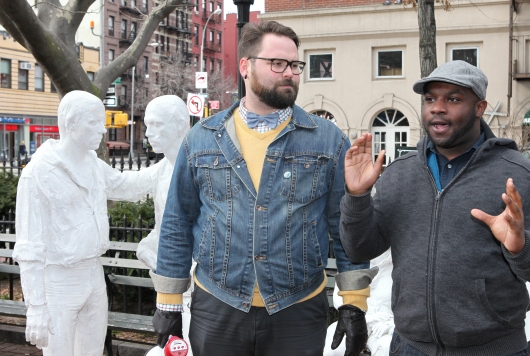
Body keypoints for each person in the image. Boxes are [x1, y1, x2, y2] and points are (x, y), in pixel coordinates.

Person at [150, 21, 376, 356]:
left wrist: (354, 303)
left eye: (295, 65)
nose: (290, 73)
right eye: (278, 64)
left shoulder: (328, 140)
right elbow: (177, 223)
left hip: (298, 309)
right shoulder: (202, 139)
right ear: (245, 66)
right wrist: (168, 304)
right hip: (217, 307)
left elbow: (345, 228)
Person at [339, 60, 530, 356]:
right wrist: (357, 196)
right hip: (409, 348)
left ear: (480, 107)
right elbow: (360, 249)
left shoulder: (518, 175)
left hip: (493, 350)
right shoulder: (400, 174)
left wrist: (522, 247)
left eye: (452, 99)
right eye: (430, 99)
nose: (437, 108)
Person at [13, 90, 155, 355]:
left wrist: (169, 163)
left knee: (92, 351)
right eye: (94, 122)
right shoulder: (38, 173)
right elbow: (29, 246)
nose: (102, 129)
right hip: (58, 281)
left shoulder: (92, 163)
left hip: (93, 274)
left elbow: (127, 185)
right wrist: (36, 308)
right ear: (72, 123)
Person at [131, 96, 195, 355]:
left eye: (156, 125)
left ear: (180, 124)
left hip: (197, 288)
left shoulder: (197, 166)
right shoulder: (162, 169)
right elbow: (122, 184)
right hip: (171, 287)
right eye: (147, 125)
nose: (148, 134)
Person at [324, 248, 394, 356]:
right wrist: (366, 319)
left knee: (386, 347)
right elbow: (339, 299)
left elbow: (410, 303)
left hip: (382, 327)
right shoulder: (352, 261)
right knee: (332, 348)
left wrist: (393, 323)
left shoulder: (401, 264)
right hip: (353, 319)